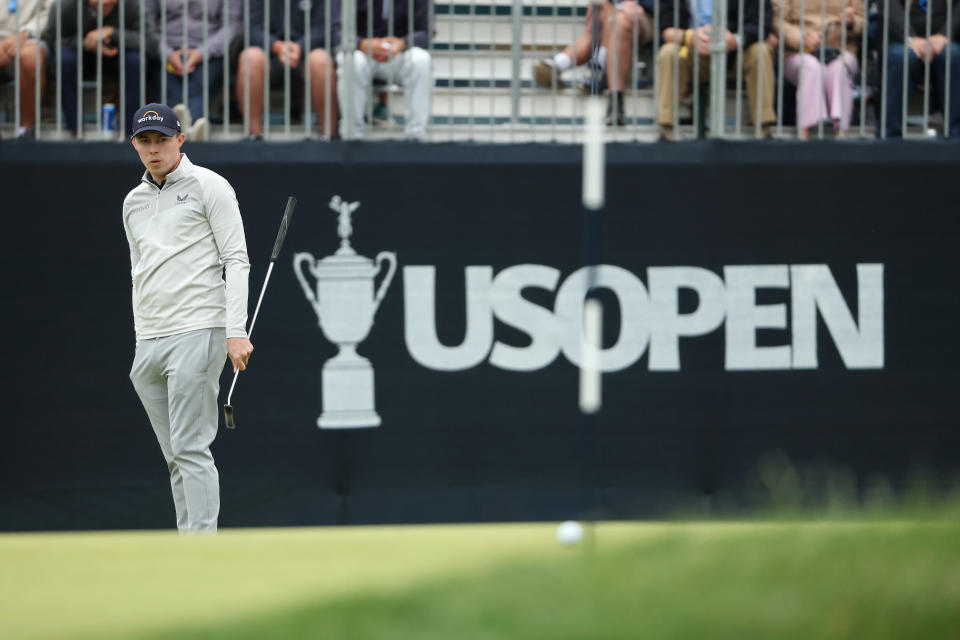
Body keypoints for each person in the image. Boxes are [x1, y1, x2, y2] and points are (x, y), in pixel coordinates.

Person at [124, 102, 252, 533]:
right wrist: (142, 336)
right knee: (174, 453)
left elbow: (236, 259)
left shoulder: (208, 186)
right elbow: (138, 271)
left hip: (199, 328)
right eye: (146, 141)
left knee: (191, 448)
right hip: (150, 340)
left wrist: (236, 332)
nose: (154, 149)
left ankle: (202, 551)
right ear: (134, 145)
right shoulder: (133, 202)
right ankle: (189, 544)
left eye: (162, 140)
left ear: (181, 139)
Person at [656, 0, 776, 139]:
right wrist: (690, 36)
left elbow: (761, 24)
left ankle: (764, 127)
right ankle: (667, 128)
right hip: (692, 51)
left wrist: (735, 40)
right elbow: (667, 30)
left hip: (736, 52)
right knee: (669, 51)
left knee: (760, 51)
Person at [41, 0, 156, 137]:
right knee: (64, 59)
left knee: (136, 60)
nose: (105, 2)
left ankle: (128, 132)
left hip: (119, 56)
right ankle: (75, 129)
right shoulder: (65, 5)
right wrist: (86, 43)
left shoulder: (134, 4)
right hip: (81, 58)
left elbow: (151, 42)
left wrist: (112, 32)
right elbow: (51, 41)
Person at [532, 0, 655, 125]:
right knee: (603, 8)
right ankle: (599, 65)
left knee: (617, 17)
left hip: (651, 16)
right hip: (615, 14)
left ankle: (561, 63)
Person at [235, 0, 337, 139]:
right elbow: (252, 29)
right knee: (250, 57)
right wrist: (277, 46)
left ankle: (329, 136)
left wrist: (300, 46)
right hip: (270, 54)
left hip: (306, 54)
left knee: (321, 60)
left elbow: (323, 28)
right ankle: (254, 135)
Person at [333, 0, 432, 140]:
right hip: (360, 51)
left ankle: (416, 136)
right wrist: (361, 43)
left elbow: (427, 31)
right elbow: (336, 29)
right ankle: (352, 136)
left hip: (399, 52)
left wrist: (403, 42)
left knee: (421, 59)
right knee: (351, 61)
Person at [147, 0, 241, 139]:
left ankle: (180, 134)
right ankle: (191, 133)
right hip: (164, 52)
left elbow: (232, 26)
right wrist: (168, 54)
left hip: (210, 52)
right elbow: (147, 26)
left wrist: (202, 53)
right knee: (171, 92)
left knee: (199, 88)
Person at [774, 0, 863, 139]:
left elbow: (862, 21)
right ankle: (803, 138)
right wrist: (802, 39)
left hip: (841, 49)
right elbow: (777, 21)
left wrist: (852, 22)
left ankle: (842, 137)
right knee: (811, 67)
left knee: (839, 68)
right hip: (799, 51)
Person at [881, 0, 960, 138]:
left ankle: (956, 135)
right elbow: (888, 5)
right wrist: (910, 37)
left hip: (946, 40)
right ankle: (890, 138)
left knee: (952, 55)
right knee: (901, 57)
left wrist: (946, 34)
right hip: (903, 40)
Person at [0, 0, 50, 138]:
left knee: (30, 57)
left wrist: (25, 33)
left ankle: (26, 129)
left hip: (31, 37)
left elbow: (50, 12)